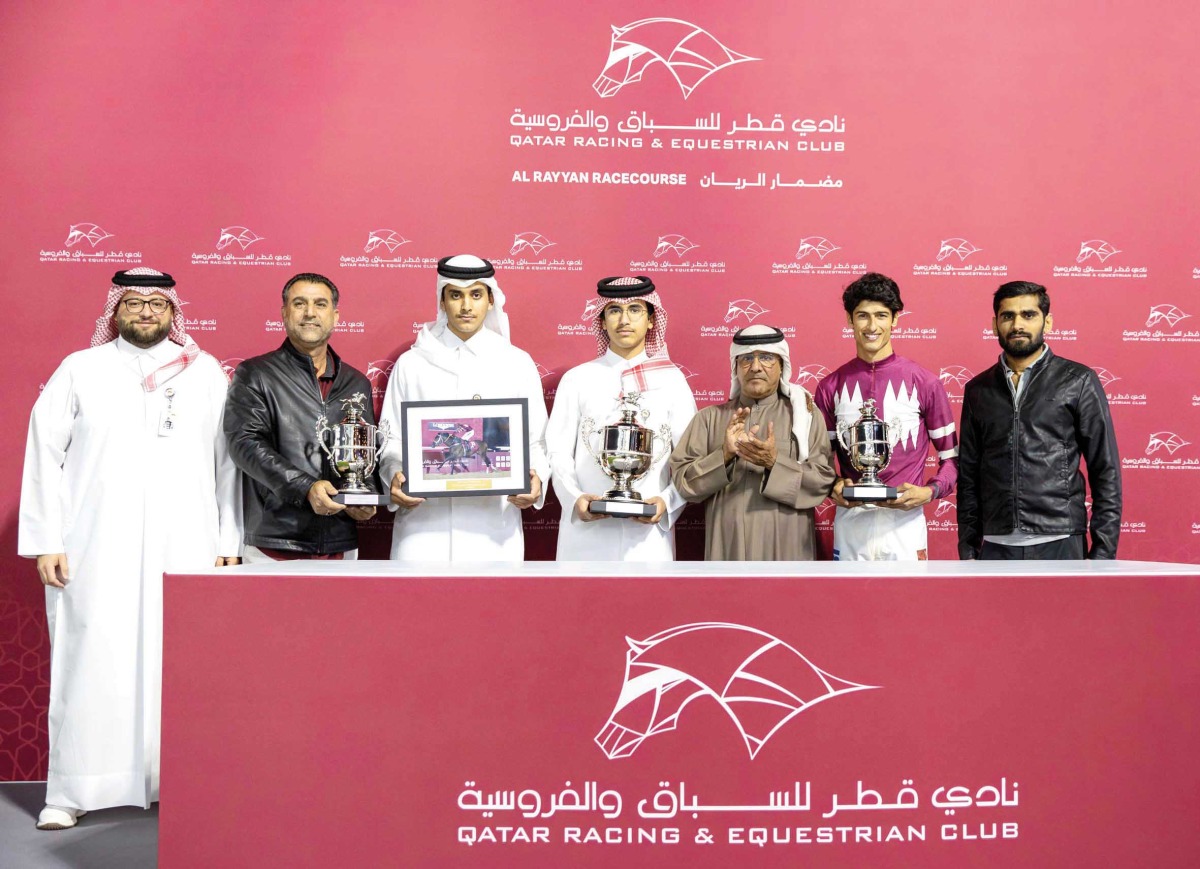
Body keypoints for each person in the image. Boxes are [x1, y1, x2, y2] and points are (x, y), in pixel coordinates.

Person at [18, 268, 241, 830]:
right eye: (134, 302)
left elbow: (227, 467)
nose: (145, 311)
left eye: (157, 303)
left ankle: (178, 782)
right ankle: (72, 790)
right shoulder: (81, 368)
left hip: (186, 542)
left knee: (183, 663)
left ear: (173, 312)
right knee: (91, 659)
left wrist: (228, 541)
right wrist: (46, 540)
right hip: (95, 545)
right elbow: (43, 454)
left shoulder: (204, 372)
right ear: (114, 311)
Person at [378, 255, 550, 560]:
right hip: (422, 529)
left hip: (494, 531)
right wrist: (394, 475)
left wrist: (536, 480)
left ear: (491, 300)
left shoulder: (516, 362)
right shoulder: (412, 363)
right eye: (456, 295)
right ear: (442, 301)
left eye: (476, 295)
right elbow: (392, 440)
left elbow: (536, 440)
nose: (466, 306)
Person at [958, 280, 1121, 560]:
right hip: (995, 544)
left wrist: (1103, 554)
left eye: (1028, 315)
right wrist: (968, 549)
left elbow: (1105, 469)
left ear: (1048, 322)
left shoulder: (1078, 381)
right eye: (1008, 316)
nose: (1017, 325)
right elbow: (968, 475)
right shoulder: (978, 389)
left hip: (1060, 538)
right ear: (995, 324)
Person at [224, 273, 378, 562]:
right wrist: (306, 488)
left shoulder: (356, 383)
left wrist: (365, 495)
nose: (310, 313)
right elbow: (244, 443)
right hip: (275, 544)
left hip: (340, 544)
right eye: (299, 304)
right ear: (284, 313)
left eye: (320, 304)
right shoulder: (256, 374)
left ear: (335, 316)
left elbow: (364, 451)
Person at [547, 276, 697, 560]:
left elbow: (689, 457)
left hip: (648, 539)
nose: (624, 320)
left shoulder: (672, 380)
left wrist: (666, 502)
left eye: (635, 310)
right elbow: (557, 451)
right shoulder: (578, 379)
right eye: (614, 310)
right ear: (602, 321)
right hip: (585, 537)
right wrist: (575, 498)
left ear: (651, 320)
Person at [815, 273, 959, 560]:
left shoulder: (925, 383)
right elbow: (818, 462)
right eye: (863, 316)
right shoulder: (830, 386)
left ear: (895, 319)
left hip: (905, 525)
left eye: (881, 315)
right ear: (849, 319)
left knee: (909, 593)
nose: (872, 326)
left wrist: (930, 492)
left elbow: (952, 459)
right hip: (851, 522)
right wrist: (833, 486)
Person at [670, 324, 835, 560]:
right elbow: (684, 483)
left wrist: (774, 462)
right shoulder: (708, 418)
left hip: (786, 549)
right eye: (746, 358)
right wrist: (724, 455)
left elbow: (822, 481)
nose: (755, 367)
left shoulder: (805, 416)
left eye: (766, 357)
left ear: (782, 366)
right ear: (735, 367)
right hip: (728, 548)